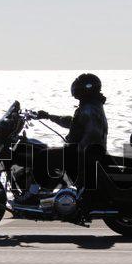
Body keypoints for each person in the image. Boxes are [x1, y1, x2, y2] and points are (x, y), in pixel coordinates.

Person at [14, 73, 108, 205]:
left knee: (43, 155)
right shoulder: (91, 105)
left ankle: (32, 195)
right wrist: (48, 116)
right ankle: (47, 190)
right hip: (87, 152)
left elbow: (92, 134)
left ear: (85, 90)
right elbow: (73, 123)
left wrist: (73, 150)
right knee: (48, 154)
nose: (76, 93)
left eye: (78, 89)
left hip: (85, 155)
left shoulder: (89, 108)